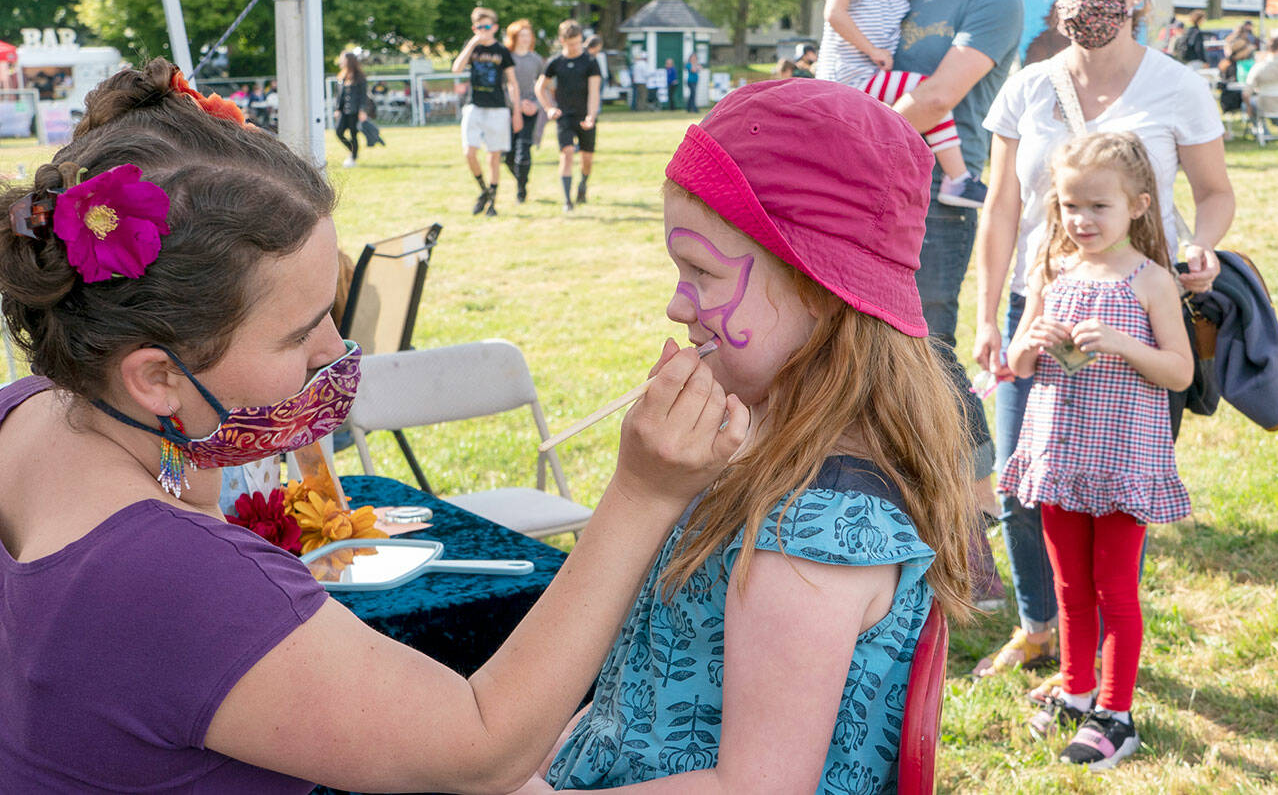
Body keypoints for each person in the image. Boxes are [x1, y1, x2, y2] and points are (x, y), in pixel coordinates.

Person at [0, 57, 747, 792]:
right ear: (157, 376)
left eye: (330, 306)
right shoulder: (175, 576)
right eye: (296, 335)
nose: (333, 347)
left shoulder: (27, 413)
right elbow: (481, 747)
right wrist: (643, 492)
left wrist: (194, 446)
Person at [529, 79, 975, 793]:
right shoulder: (759, 453)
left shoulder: (813, 530)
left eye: (701, 272)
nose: (678, 305)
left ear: (820, 290)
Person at [972, 0, 1233, 689]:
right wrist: (990, 314)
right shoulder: (1025, 88)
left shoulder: (1177, 87)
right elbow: (1000, 208)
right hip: (1041, 307)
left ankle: (1108, 643)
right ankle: (1040, 627)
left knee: (1120, 489)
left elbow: (1214, 190)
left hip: (1140, 315)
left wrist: (1202, 248)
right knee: (1027, 487)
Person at [1001, 132, 1192, 769]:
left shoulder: (1151, 280)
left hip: (1120, 459)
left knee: (1115, 588)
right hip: (1059, 452)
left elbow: (1179, 373)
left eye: (1098, 207)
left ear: (1138, 204)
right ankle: (1077, 693)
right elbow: (1018, 362)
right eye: (1070, 206)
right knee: (1069, 587)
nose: (1081, 220)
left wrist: (1120, 342)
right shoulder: (1052, 271)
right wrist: (1033, 342)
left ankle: (1117, 712)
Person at [889, 0, 1022, 609]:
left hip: (945, 195)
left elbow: (941, 92)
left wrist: (852, 131)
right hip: (883, 179)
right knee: (890, 353)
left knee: (933, 354)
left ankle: (975, 539)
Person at [815, 0, 986, 208]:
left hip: (868, 74)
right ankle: (958, 178)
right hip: (847, 78)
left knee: (927, 98)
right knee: (926, 91)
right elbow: (834, 13)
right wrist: (872, 50)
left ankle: (954, 179)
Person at [451, 6, 522, 217]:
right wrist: (473, 43)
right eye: (479, 27)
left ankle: (493, 201)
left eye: (487, 26)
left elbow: (512, 83)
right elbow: (456, 69)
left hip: (497, 108)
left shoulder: (502, 51)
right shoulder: (472, 48)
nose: (484, 30)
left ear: (495, 27)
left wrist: (515, 110)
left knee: (493, 156)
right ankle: (484, 190)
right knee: (469, 152)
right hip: (475, 105)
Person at [536, 19, 601, 212]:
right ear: (562, 41)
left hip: (584, 116)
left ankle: (583, 185)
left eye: (578, 42)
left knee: (587, 159)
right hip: (564, 116)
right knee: (567, 153)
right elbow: (540, 88)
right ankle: (567, 200)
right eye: (571, 43)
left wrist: (591, 116)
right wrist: (549, 108)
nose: (575, 47)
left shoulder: (590, 61)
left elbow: (594, 91)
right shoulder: (555, 63)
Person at [503, 18, 546, 203]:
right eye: (522, 35)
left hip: (530, 111)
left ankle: (521, 191)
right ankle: (522, 180)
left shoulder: (536, 60)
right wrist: (516, 104)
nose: (526, 39)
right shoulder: (507, 58)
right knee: (509, 155)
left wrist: (535, 104)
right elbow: (503, 86)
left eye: (529, 35)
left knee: (523, 150)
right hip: (509, 111)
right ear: (514, 37)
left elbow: (543, 85)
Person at [333, 52, 368, 168]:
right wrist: (337, 109)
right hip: (344, 111)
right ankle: (352, 152)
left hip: (355, 111)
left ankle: (353, 157)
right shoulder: (341, 77)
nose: (341, 61)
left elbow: (363, 96)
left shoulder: (360, 77)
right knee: (339, 132)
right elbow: (340, 95)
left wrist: (362, 110)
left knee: (354, 134)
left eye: (343, 59)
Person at [1244, 34, 1278, 130]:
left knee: (1246, 104)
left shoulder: (1259, 67)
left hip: (1265, 104)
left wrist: (1248, 106)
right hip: (1271, 104)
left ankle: (1263, 133)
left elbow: (1246, 93)